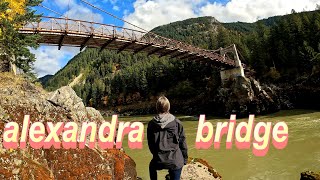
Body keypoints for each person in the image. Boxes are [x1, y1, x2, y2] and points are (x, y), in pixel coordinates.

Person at [147, 96, 188, 180]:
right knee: (177, 164)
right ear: (168, 107)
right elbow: (182, 143)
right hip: (175, 160)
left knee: (152, 167)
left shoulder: (151, 124)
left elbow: (151, 144)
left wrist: (157, 156)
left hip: (158, 159)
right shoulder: (177, 123)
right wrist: (184, 160)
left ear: (157, 108)